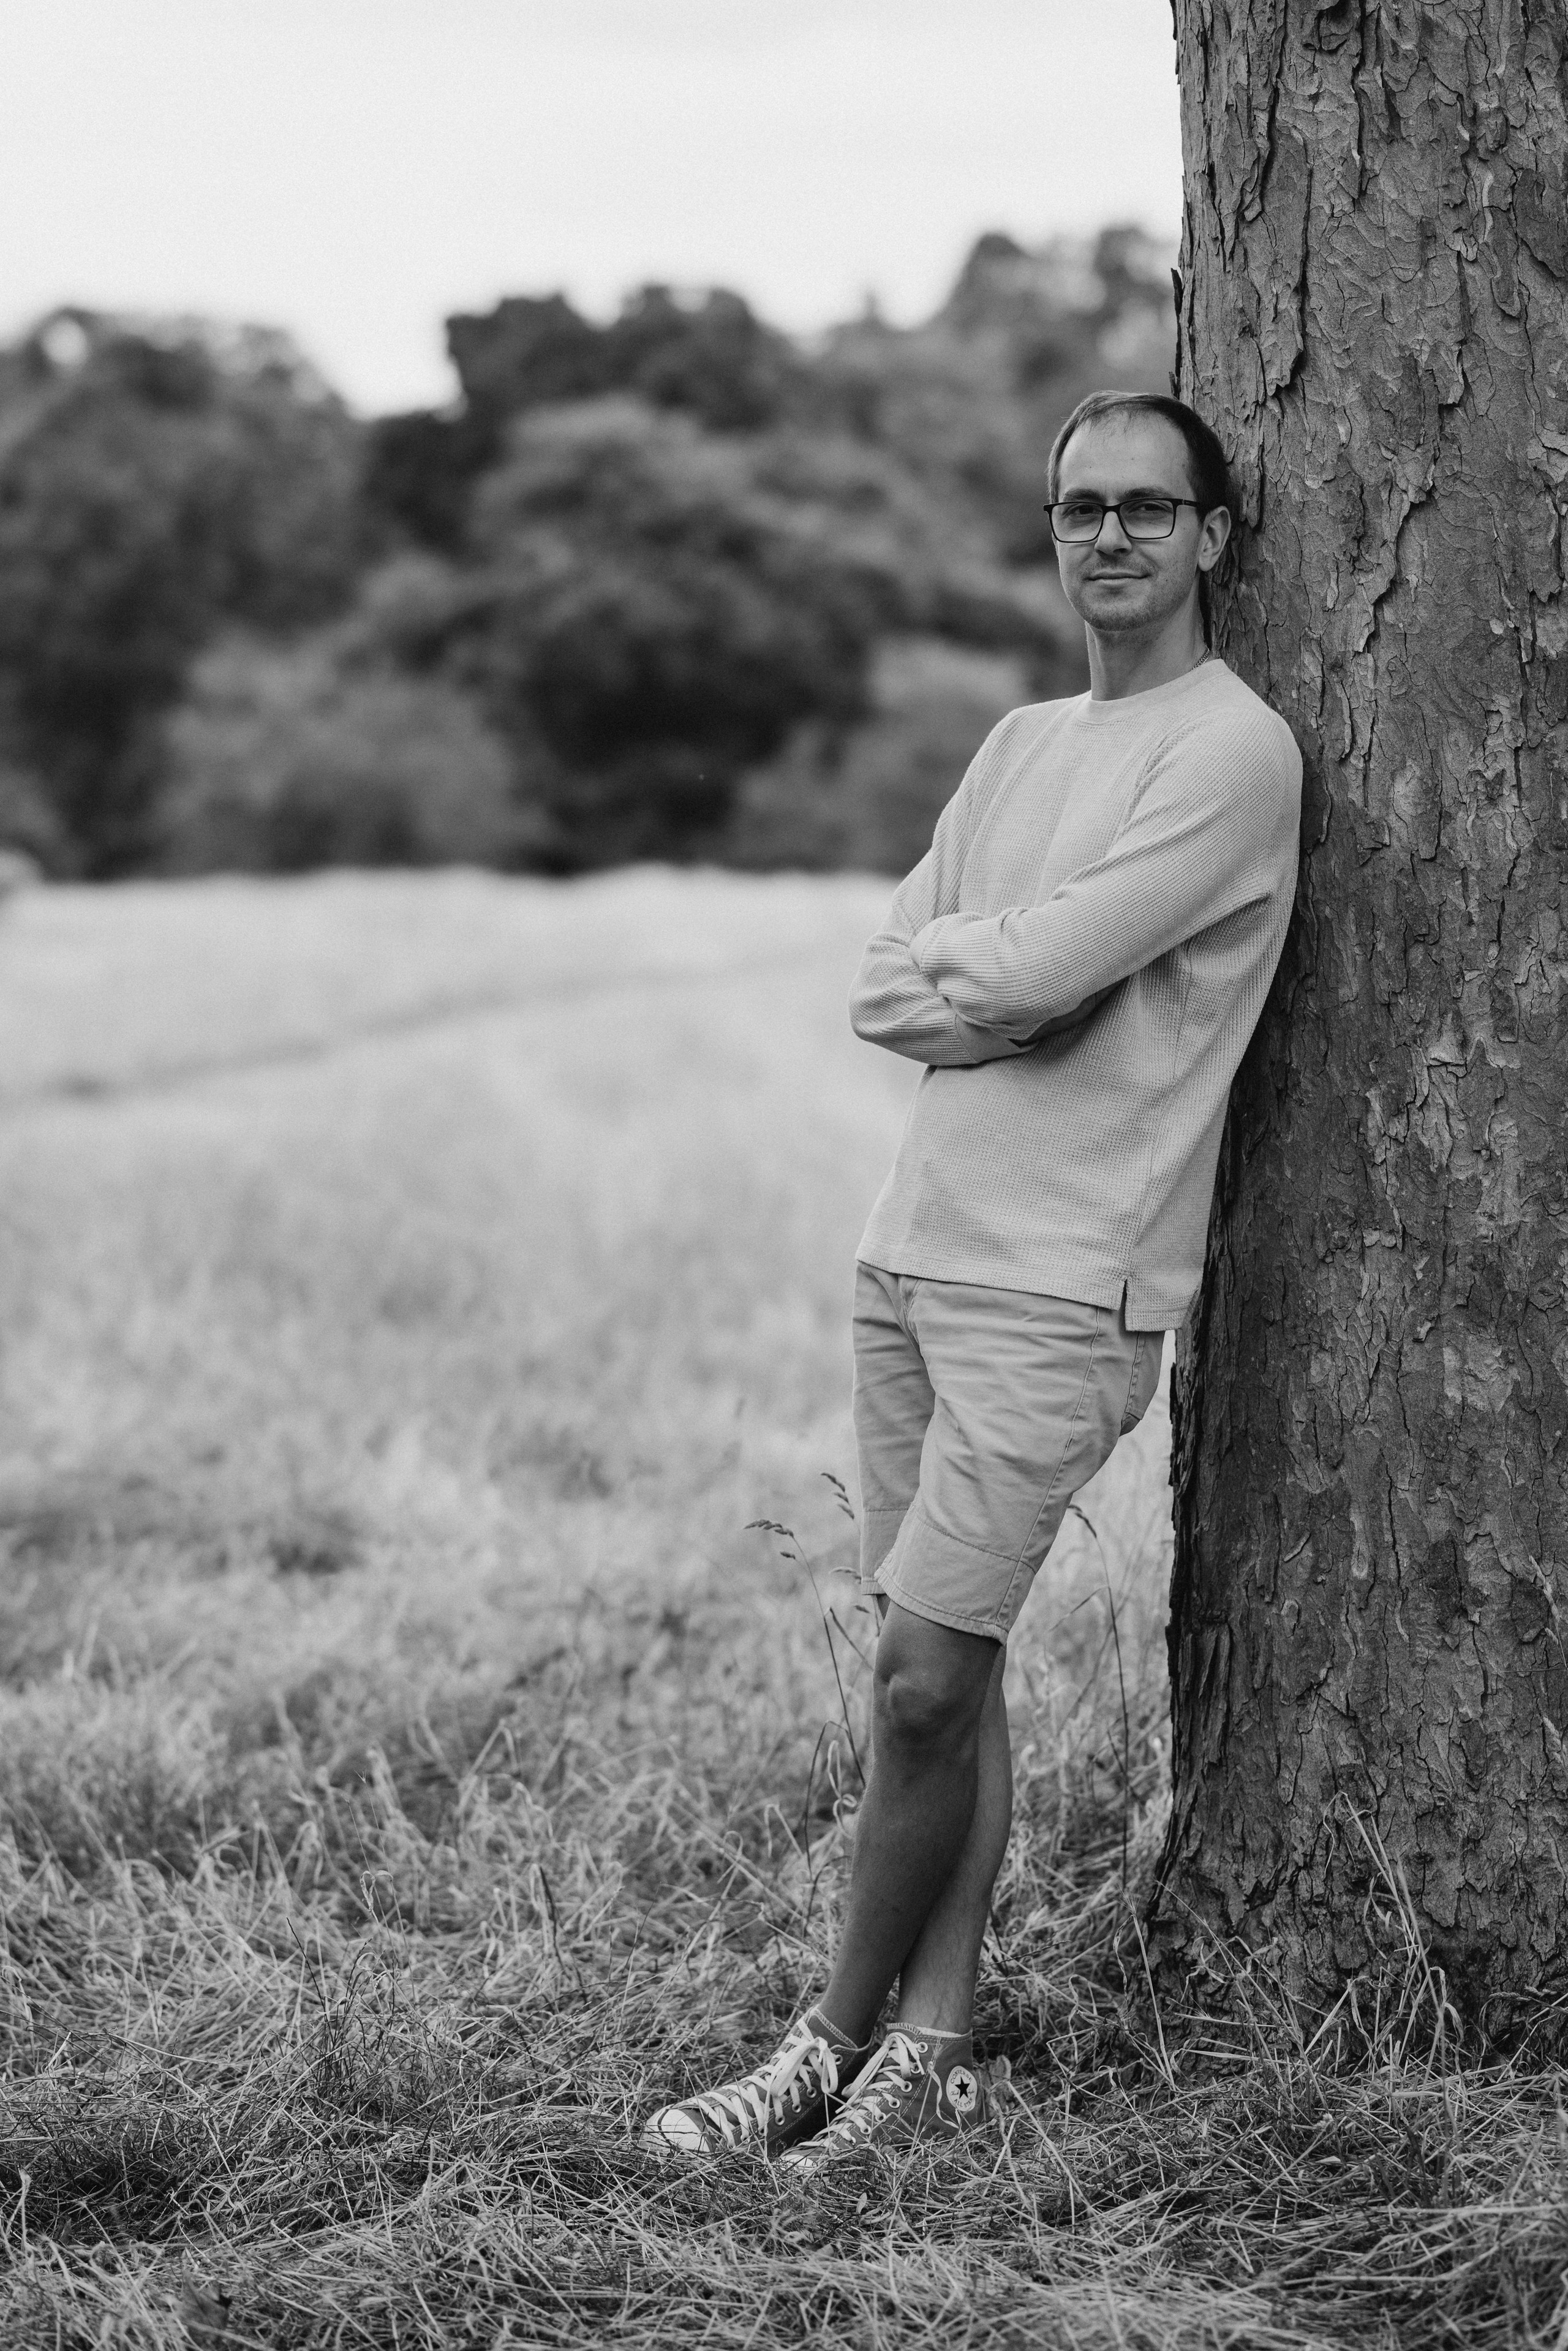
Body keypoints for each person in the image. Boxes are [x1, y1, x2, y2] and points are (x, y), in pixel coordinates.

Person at [643, 390, 1302, 2169]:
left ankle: (821, 2047)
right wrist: (999, 985)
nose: (1111, 538)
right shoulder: (1021, 747)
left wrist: (1005, 979)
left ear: (1214, 535)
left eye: (1150, 511)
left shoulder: (1230, 754)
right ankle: (931, 2047)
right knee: (954, 1668)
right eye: (1083, 507)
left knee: (922, 1685)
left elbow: (1056, 962)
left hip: (1059, 1280)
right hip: (911, 1252)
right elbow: (890, 984)